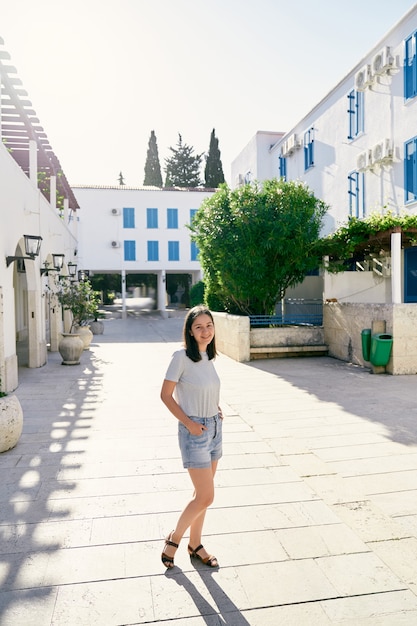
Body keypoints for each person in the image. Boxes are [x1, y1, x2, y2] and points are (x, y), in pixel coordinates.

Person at [160, 305, 223, 569]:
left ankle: (195, 544)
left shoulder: (209, 356)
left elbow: (204, 388)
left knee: (201, 494)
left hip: (214, 430)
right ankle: (175, 538)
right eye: (199, 326)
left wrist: (215, 408)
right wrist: (189, 423)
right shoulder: (181, 357)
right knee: (206, 496)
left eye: (209, 325)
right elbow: (165, 395)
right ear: (190, 330)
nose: (205, 331)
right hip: (194, 432)